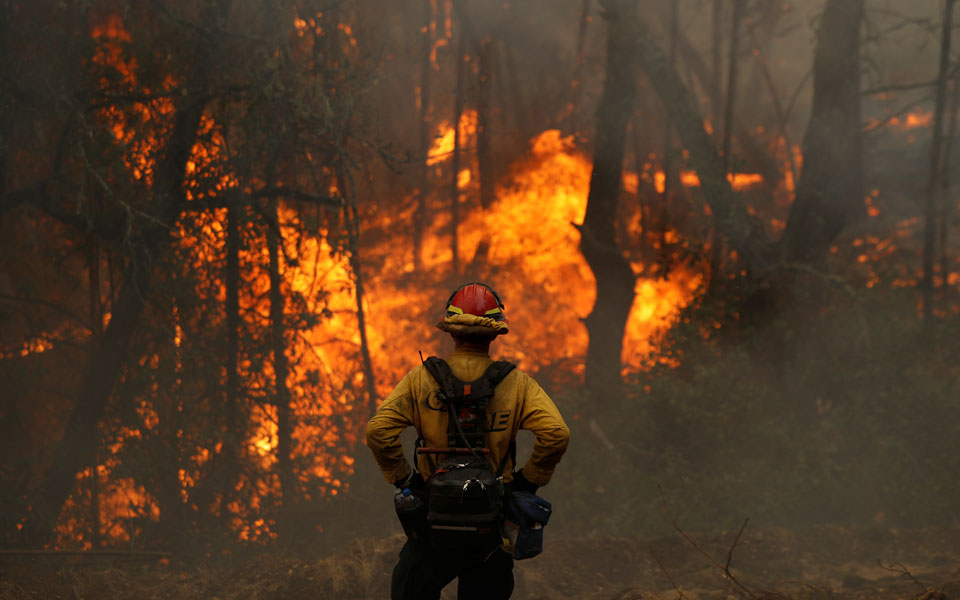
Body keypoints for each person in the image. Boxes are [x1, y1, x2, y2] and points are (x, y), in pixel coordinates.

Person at [366, 282, 570, 600]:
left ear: (451, 331)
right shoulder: (517, 385)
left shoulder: (420, 380)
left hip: (432, 523)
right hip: (491, 528)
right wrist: (527, 483)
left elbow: (378, 432)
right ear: (494, 334)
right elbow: (556, 434)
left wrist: (406, 480)